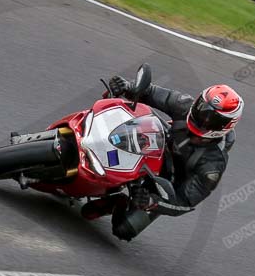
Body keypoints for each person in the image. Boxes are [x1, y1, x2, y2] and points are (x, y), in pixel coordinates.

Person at [81, 75, 243, 241]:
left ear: (226, 126)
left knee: (125, 229)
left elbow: (184, 203)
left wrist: (152, 201)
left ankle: (117, 202)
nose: (203, 117)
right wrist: (128, 86)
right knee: (126, 114)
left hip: (164, 184)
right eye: (202, 108)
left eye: (212, 119)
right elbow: (150, 92)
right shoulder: (185, 105)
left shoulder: (212, 166)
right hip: (156, 144)